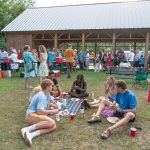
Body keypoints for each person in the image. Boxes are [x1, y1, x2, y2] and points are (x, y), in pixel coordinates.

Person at [21, 79, 58, 146]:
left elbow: (49, 103)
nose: (52, 87)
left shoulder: (47, 94)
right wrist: (52, 111)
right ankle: (26, 129)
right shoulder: (42, 96)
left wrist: (54, 106)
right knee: (51, 122)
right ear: (47, 87)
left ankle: (31, 135)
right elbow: (40, 111)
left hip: (36, 114)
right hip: (31, 115)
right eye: (51, 86)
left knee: (54, 126)